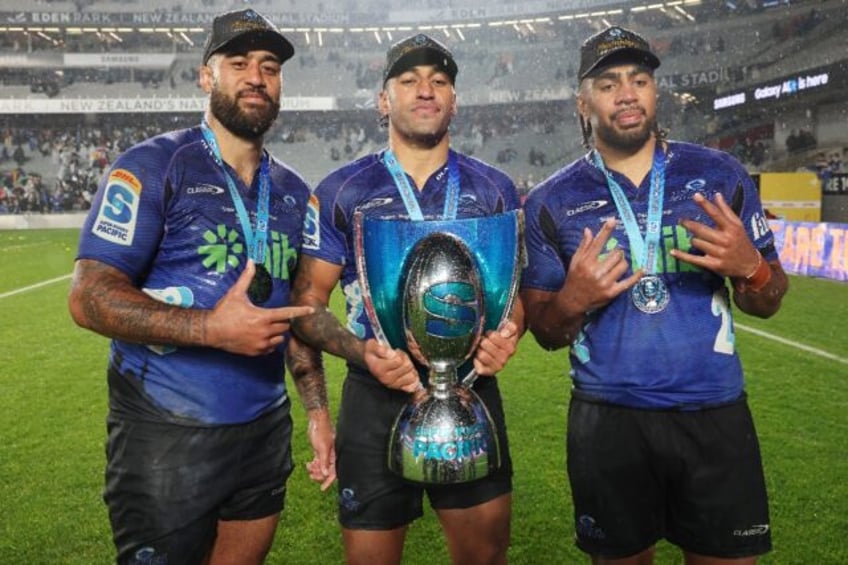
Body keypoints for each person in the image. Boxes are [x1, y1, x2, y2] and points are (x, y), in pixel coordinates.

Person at [67, 9, 333, 564]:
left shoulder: (292, 190)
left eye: (269, 66)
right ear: (206, 76)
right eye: (238, 63)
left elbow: (296, 314)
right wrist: (210, 328)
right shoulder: (152, 166)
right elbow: (89, 295)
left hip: (264, 428)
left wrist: (315, 410)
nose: (256, 77)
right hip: (164, 434)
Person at [520, 26, 789, 565]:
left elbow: (771, 298)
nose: (626, 93)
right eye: (609, 83)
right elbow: (547, 333)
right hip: (609, 420)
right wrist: (573, 298)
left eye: (639, 79)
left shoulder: (719, 174)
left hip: (714, 413)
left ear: (654, 92)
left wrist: (751, 267)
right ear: (583, 101)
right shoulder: (552, 199)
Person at [290, 33, 523, 565]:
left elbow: (512, 297)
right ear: (383, 99)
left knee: (484, 556)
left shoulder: (495, 190)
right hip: (373, 394)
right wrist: (361, 352)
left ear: (454, 101)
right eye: (409, 80)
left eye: (439, 82)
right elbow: (307, 301)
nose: (425, 91)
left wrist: (507, 335)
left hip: (471, 387)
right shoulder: (341, 190)